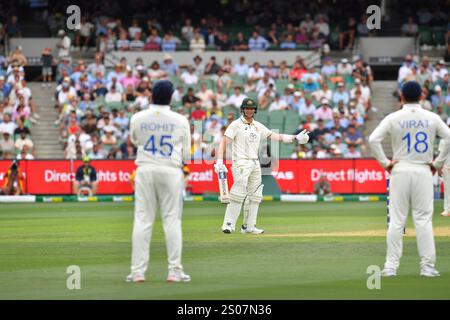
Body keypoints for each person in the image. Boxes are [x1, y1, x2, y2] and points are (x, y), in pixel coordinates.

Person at [368, 81, 450, 277]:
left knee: (396, 221)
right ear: (422, 96)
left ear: (402, 97)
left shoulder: (394, 117)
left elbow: (373, 140)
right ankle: (427, 267)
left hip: (400, 169)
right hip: (423, 169)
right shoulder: (431, 117)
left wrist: (385, 163)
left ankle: (390, 266)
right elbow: (448, 137)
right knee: (423, 220)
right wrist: (437, 163)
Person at [126, 80, 191, 283]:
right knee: (172, 220)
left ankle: (137, 272)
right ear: (171, 97)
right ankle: (174, 271)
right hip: (170, 170)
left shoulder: (137, 118)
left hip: (145, 169)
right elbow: (187, 156)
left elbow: (135, 141)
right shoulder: (180, 120)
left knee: (143, 220)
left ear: (151, 95)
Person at [214, 98, 309, 234]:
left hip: (255, 162)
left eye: (251, 109)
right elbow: (224, 142)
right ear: (242, 109)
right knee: (238, 192)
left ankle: (249, 227)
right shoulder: (235, 125)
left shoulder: (258, 126)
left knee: (255, 195)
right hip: (240, 162)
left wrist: (295, 137)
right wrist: (219, 161)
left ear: (255, 110)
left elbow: (274, 136)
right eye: (247, 108)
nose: (249, 110)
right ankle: (228, 224)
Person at [438, 128, 450, 217]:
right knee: (447, 188)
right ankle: (447, 209)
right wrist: (439, 167)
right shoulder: (443, 140)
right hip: (447, 167)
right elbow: (441, 155)